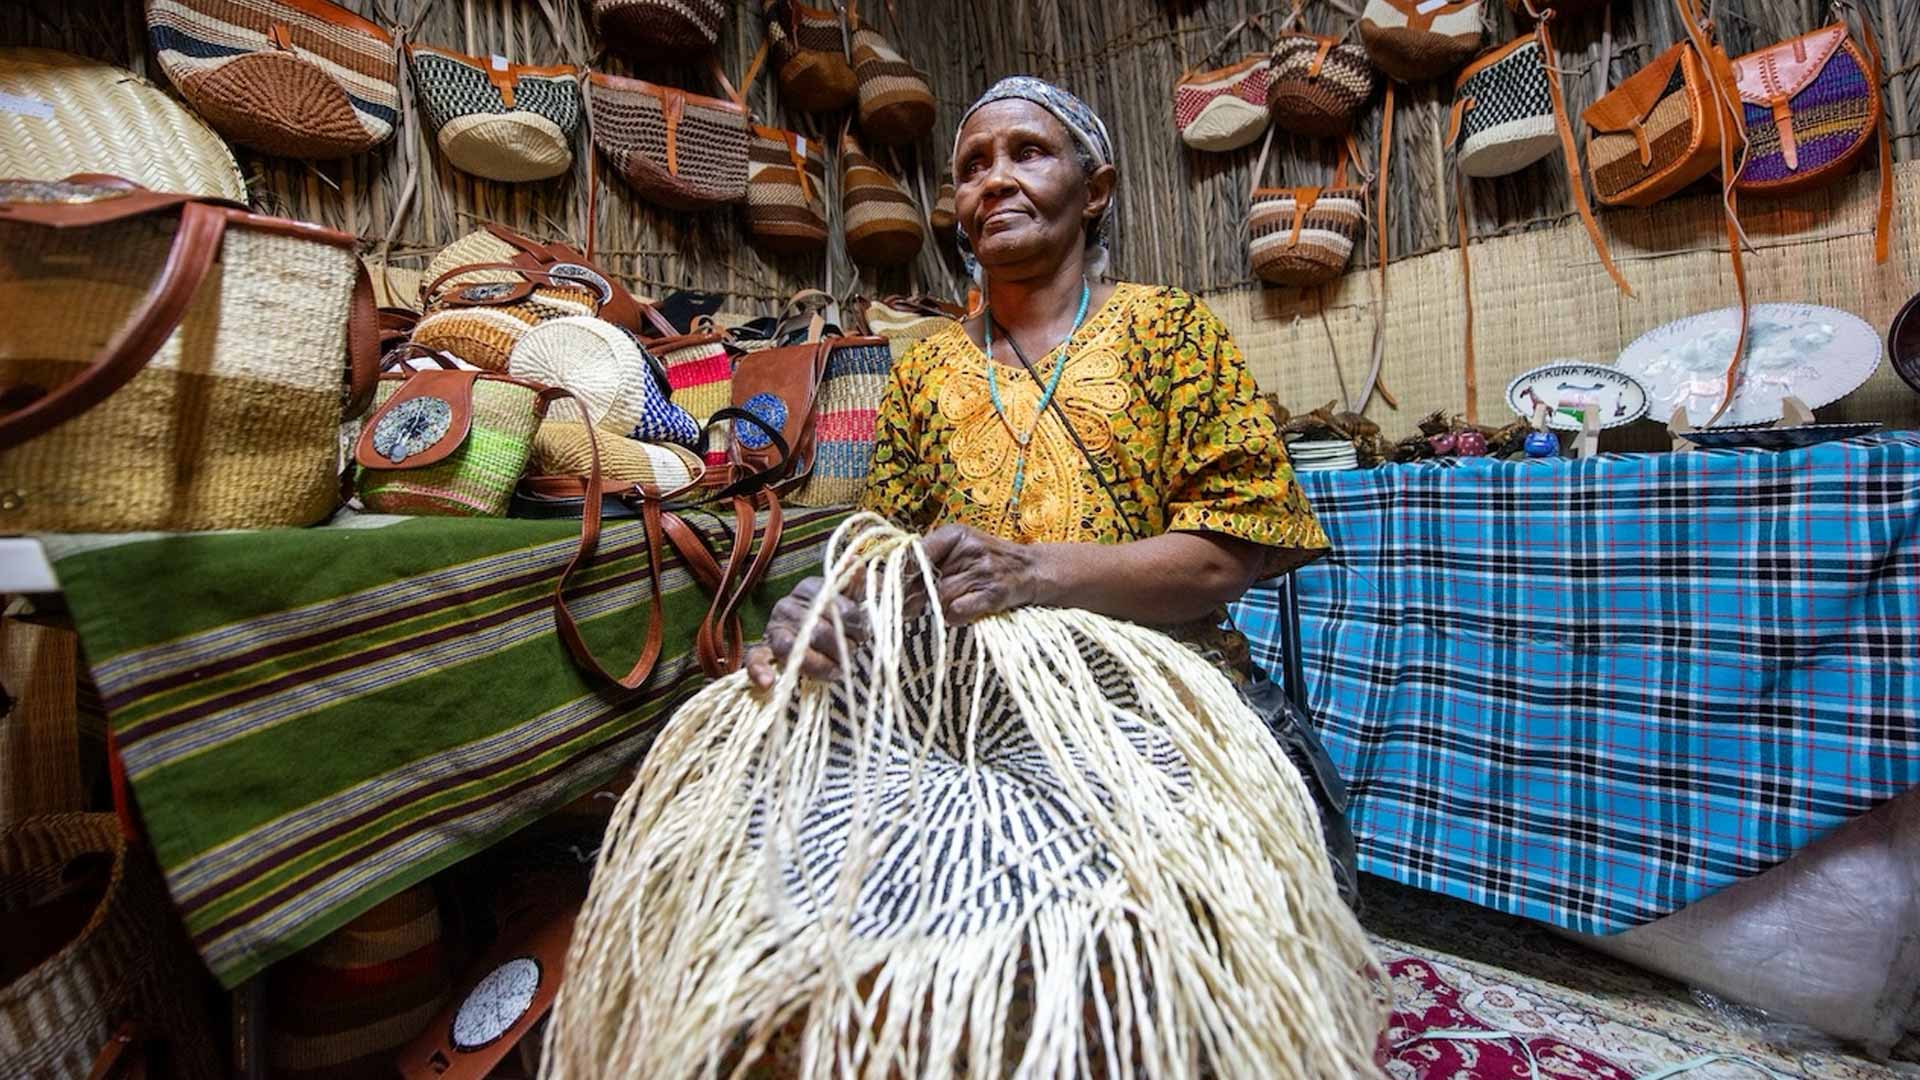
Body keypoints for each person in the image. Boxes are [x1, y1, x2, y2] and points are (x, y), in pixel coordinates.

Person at [746, 76, 1329, 689]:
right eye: (973, 167)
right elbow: (889, 557)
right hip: (970, 697)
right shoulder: (922, 368)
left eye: (1028, 153)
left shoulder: (1167, 327)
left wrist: (1033, 572)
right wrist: (826, 613)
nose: (995, 180)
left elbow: (1226, 555)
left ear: (1095, 191)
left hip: (1151, 688)